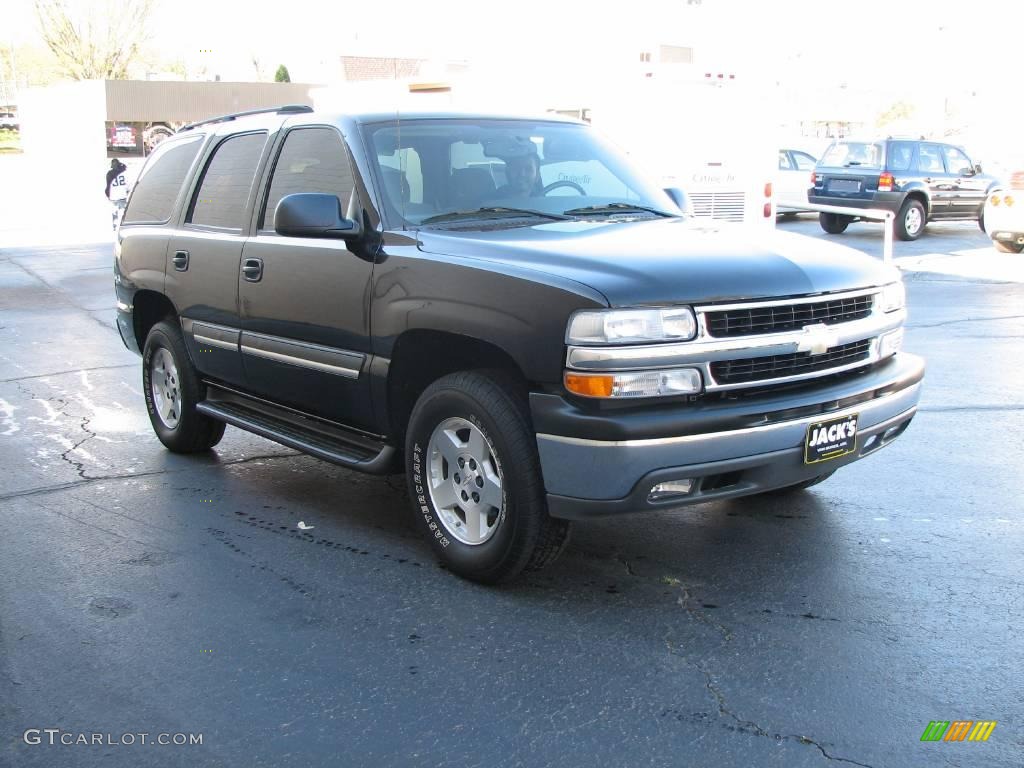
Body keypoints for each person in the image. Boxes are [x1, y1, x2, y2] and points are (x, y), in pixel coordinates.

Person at [105, 158, 130, 229]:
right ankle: (125, 225)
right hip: (122, 195)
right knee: (124, 212)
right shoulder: (124, 172)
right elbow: (128, 185)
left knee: (115, 212)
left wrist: (108, 195)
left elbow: (108, 186)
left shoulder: (109, 173)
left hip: (113, 197)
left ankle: (115, 226)